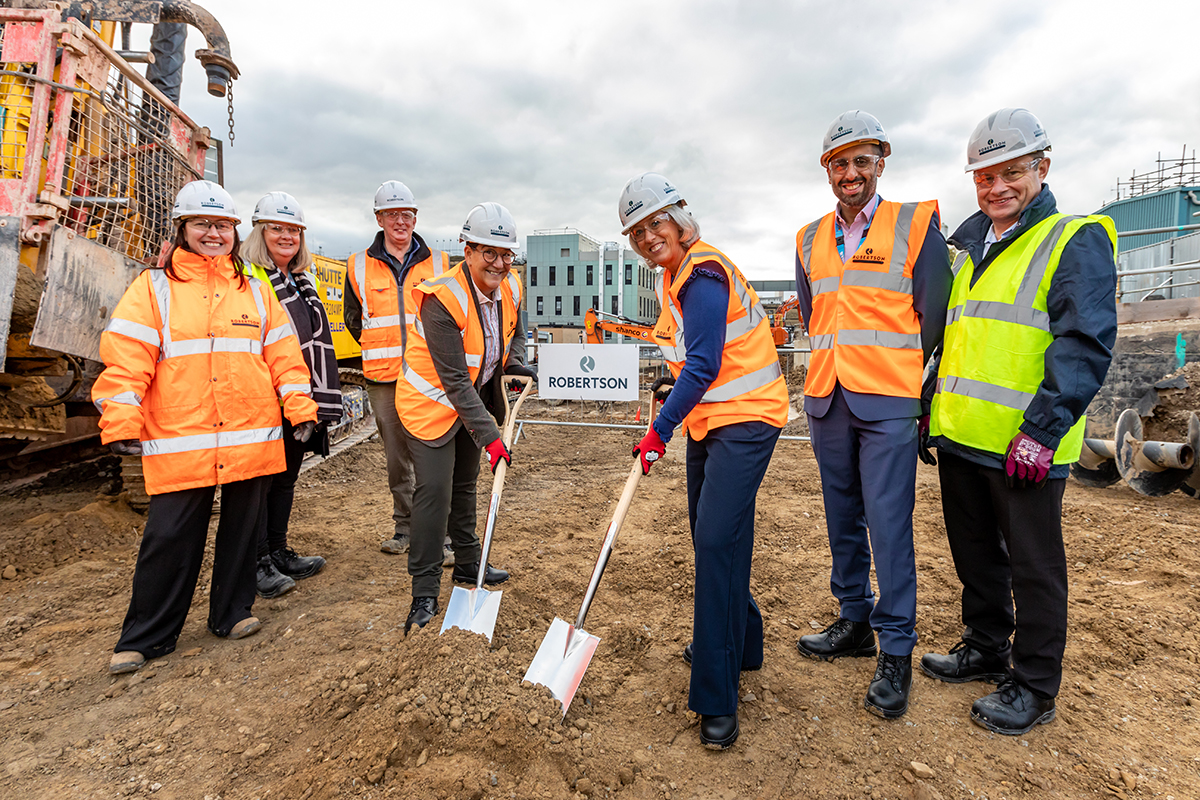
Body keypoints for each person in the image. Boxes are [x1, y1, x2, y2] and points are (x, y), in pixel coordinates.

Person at [922, 108, 1117, 735]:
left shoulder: (1072, 238)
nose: (997, 187)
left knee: (1033, 566)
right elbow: (960, 340)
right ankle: (985, 646)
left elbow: (1083, 343)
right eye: (984, 176)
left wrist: (1042, 429)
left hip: (1023, 442)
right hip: (963, 436)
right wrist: (933, 412)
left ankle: (1034, 683)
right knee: (975, 555)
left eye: (1011, 172)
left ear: (1042, 167)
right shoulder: (969, 249)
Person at [93, 180, 317, 675]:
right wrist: (121, 418)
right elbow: (126, 363)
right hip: (182, 435)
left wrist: (299, 407)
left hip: (249, 431)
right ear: (183, 228)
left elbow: (284, 357)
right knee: (171, 533)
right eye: (203, 224)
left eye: (222, 225)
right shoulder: (153, 289)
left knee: (243, 531)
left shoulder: (256, 291)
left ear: (234, 232)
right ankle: (146, 635)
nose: (213, 234)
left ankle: (232, 613)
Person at [792, 111, 952, 719]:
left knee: (889, 527)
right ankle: (854, 620)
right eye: (840, 162)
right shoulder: (809, 238)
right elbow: (814, 315)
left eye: (862, 160)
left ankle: (897, 649)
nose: (850, 172)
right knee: (842, 520)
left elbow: (931, 314)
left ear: (881, 162)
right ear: (827, 171)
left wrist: (907, 384)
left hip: (887, 404)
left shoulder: (914, 225)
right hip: (828, 399)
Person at [621, 173, 788, 750]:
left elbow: (706, 364)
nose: (648, 237)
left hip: (746, 421)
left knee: (716, 541)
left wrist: (658, 431)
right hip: (711, 422)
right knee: (715, 535)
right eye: (637, 233)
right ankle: (742, 641)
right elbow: (691, 363)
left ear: (679, 220)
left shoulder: (703, 273)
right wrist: (672, 399)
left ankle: (717, 698)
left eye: (654, 224)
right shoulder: (676, 280)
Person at [394, 203, 536, 634]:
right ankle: (423, 590)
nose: (498, 262)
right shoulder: (441, 299)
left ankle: (469, 566)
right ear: (468, 249)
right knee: (434, 491)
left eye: (506, 254)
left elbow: (512, 334)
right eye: (488, 252)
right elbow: (454, 379)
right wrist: (491, 436)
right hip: (431, 403)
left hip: (471, 403)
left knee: (465, 486)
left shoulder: (510, 286)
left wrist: (516, 363)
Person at [242, 192, 343, 598]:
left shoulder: (301, 278)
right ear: (259, 232)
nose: (287, 237)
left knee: (285, 477)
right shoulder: (248, 275)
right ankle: (257, 560)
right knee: (261, 482)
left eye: (293, 231)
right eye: (277, 229)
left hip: (301, 392)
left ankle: (278, 550)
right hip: (266, 391)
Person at [344, 181, 452, 560]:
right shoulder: (358, 265)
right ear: (379, 218)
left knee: (434, 452)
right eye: (392, 214)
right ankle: (405, 527)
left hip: (429, 377)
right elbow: (354, 320)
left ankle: (442, 531)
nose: (400, 221)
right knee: (397, 457)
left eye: (406, 214)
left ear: (415, 217)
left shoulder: (438, 263)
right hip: (383, 377)